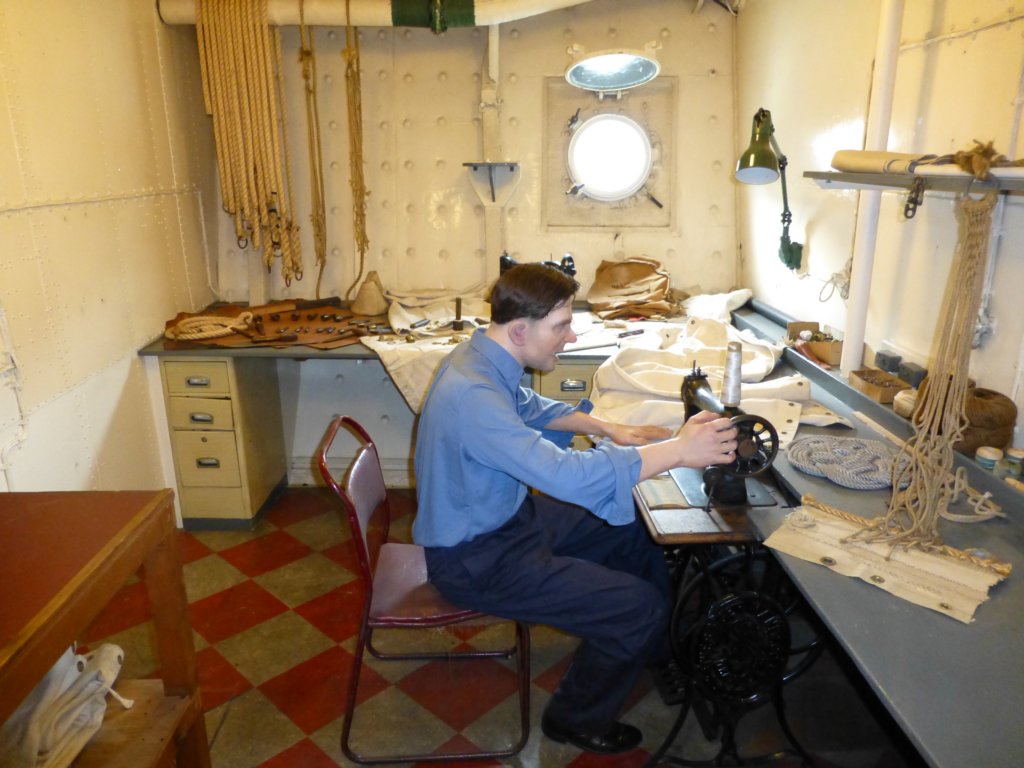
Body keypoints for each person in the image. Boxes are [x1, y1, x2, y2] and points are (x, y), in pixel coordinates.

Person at [412, 263, 739, 755]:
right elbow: (568, 477)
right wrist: (678, 451)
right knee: (637, 605)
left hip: (505, 523)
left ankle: (651, 643)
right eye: (562, 326)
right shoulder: (474, 396)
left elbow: (527, 406)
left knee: (630, 526)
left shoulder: (480, 357)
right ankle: (574, 719)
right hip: (476, 559)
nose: (571, 336)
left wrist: (607, 428)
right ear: (520, 331)